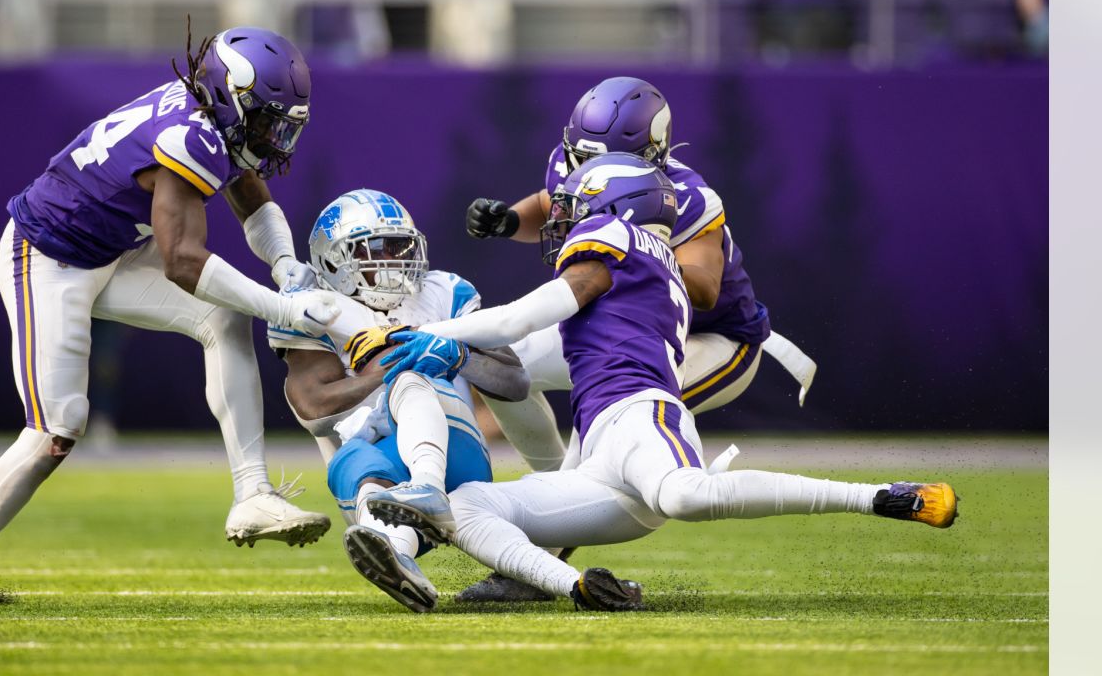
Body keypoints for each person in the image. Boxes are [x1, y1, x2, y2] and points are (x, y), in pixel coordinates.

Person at [377, 153, 957, 611]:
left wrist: (442, 332)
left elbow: (519, 317)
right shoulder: (643, 248)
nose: (560, 217)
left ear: (612, 209)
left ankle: (883, 497)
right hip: (601, 440)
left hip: (642, 417)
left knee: (684, 494)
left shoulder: (620, 245)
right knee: (469, 504)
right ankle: (577, 586)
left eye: (573, 206)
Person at [0, 25, 340, 605]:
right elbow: (185, 263)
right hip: (47, 256)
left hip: (109, 248)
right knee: (55, 429)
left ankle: (252, 494)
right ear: (232, 95)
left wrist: (286, 264)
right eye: (268, 121)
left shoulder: (213, 116)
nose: (275, 137)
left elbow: (246, 190)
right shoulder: (192, 135)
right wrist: (285, 306)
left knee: (221, 320)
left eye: (283, 124)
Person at [459, 76, 817, 601]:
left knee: (605, 426)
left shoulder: (690, 197)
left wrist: (641, 247)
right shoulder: (572, 163)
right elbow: (553, 202)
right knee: (501, 363)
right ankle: (552, 479)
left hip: (711, 341)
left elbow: (705, 286)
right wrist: (512, 219)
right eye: (580, 159)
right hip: (618, 322)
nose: (586, 174)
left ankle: (533, 568)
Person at [269, 189, 528, 612]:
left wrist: (457, 355)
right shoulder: (313, 305)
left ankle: (401, 546)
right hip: (366, 468)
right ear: (332, 260)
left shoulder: (444, 292)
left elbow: (515, 382)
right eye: (373, 249)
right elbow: (313, 407)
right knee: (403, 385)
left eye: (399, 246)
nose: (391, 261)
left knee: (420, 384)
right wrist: (391, 364)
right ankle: (399, 554)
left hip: (455, 450)